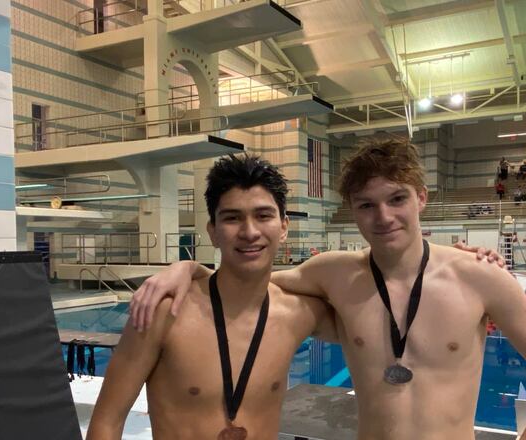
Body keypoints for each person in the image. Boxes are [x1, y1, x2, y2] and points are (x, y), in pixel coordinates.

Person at [130, 137, 526, 439]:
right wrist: (185, 269)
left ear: (421, 198)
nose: (384, 217)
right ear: (351, 210)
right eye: (367, 205)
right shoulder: (333, 274)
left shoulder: (479, 277)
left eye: (397, 199)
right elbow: (244, 280)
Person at [86, 155, 338, 439]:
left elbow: (374, 329)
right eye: (232, 218)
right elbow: (106, 423)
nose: (250, 232)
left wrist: (191, 267)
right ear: (213, 232)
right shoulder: (163, 312)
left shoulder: (299, 313)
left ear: (283, 227)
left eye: (263, 215)